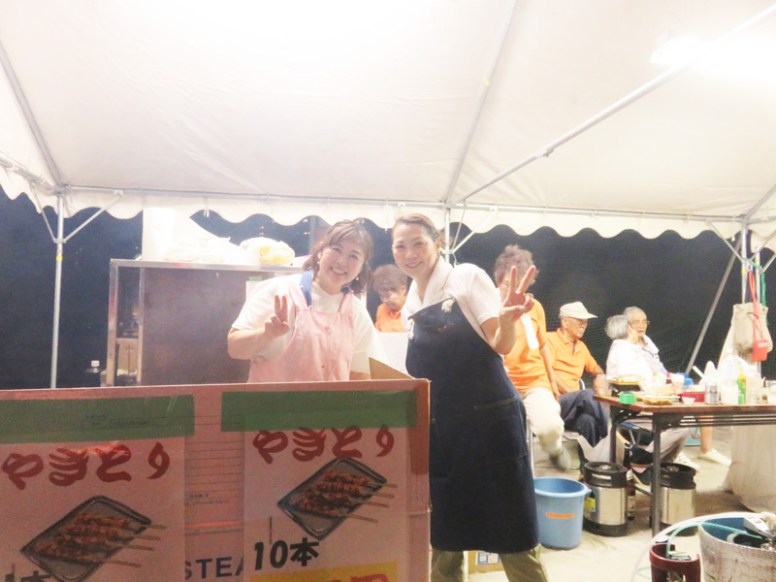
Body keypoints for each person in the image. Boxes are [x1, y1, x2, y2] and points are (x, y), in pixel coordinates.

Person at [392, 214, 548, 582]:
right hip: (443, 431)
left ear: (438, 243)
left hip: (490, 425)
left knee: (513, 529)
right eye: (400, 246)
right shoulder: (411, 300)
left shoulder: (466, 277)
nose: (410, 253)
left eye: (418, 243)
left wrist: (507, 321)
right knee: (445, 533)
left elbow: (500, 345)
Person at [227, 219, 386, 382]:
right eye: (336, 249)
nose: (342, 261)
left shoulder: (355, 312)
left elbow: (361, 373)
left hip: (329, 400)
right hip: (271, 398)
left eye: (353, 256)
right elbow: (235, 349)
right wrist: (266, 334)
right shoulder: (279, 290)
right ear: (320, 252)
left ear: (361, 268)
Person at [494, 245, 569, 471]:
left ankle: (555, 450)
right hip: (500, 384)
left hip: (534, 382)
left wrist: (552, 382)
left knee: (550, 427)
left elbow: (543, 346)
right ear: (498, 279)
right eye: (508, 285)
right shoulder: (487, 306)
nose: (514, 292)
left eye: (520, 286)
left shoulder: (535, 307)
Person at [605, 309, 696, 472]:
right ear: (628, 328)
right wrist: (665, 388)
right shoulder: (622, 350)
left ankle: (659, 466)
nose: (640, 327)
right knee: (683, 424)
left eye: (644, 322)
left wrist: (665, 385)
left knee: (686, 421)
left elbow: (652, 378)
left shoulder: (634, 349)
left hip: (647, 405)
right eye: (635, 323)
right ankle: (642, 462)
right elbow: (637, 382)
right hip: (632, 410)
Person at [545, 301, 609, 449]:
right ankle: (619, 438)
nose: (584, 325)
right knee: (587, 395)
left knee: (588, 421)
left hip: (574, 407)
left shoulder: (581, 347)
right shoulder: (549, 340)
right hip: (553, 403)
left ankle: (596, 461)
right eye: (580, 321)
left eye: (585, 322)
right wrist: (573, 394)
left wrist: (600, 376)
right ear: (565, 322)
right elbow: (548, 371)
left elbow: (595, 367)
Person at [370, 264, 408, 332]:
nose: (385, 300)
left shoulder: (413, 309)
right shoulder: (381, 310)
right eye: (382, 296)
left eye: (388, 296)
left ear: (403, 289)